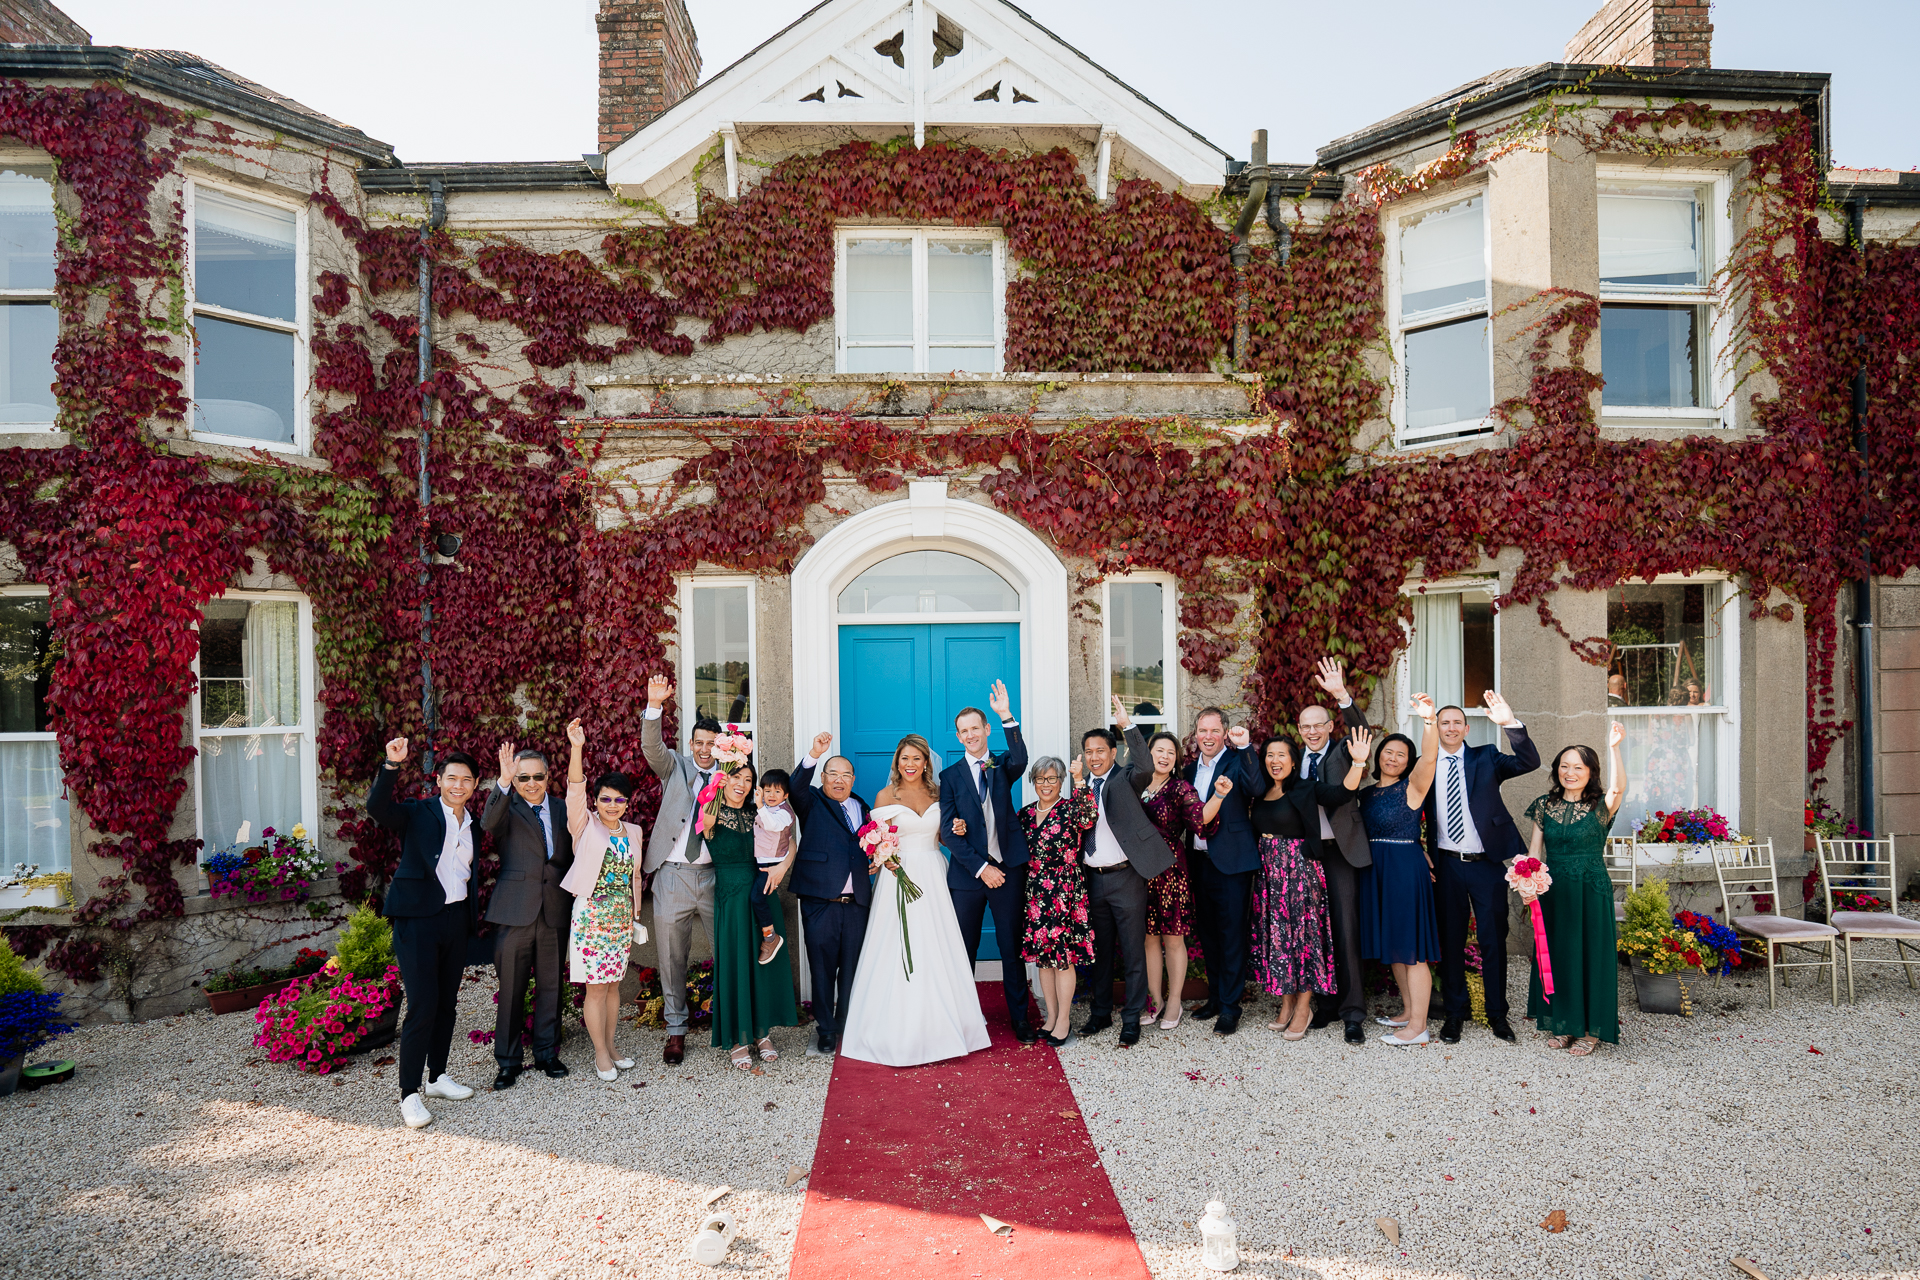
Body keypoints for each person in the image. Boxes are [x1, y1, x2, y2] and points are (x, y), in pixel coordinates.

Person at [840, 734, 991, 1066]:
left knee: (936, 943)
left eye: (916, 759)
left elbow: (942, 836)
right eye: (904, 759)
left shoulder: (938, 793)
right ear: (897, 762)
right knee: (897, 943)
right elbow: (875, 841)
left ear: (926, 763)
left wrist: (958, 828)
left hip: (934, 872)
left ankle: (947, 1024)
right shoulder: (886, 795)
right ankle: (896, 1028)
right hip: (899, 876)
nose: (909, 765)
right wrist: (883, 857)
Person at [366, 738, 481, 1130]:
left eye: (466, 779)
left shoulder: (473, 824)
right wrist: (391, 766)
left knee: (447, 1002)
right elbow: (377, 808)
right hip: (416, 919)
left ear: (475, 784)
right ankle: (409, 1094)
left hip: (454, 919)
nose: (458, 785)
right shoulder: (419, 812)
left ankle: (437, 1077)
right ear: (439, 780)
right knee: (422, 1005)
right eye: (452, 778)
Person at [1425, 690, 1541, 1045]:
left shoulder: (1486, 757)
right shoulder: (1424, 763)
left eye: (1456, 722)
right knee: (1451, 941)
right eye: (1444, 722)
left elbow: (1529, 762)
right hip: (1446, 866)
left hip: (1486, 865)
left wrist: (1511, 724)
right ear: (1436, 728)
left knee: (1493, 941)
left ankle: (1496, 1015)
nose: (1450, 727)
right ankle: (1455, 1013)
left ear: (1466, 729)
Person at [1246, 728, 1371, 1039]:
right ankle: (1286, 1004)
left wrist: (1357, 764)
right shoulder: (1260, 792)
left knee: (1303, 939)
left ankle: (1304, 1006)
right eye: (1270, 755)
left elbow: (1341, 794)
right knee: (1278, 939)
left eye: (1282, 755)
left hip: (1300, 873)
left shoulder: (1306, 788)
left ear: (1293, 760)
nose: (1275, 761)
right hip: (1269, 874)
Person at [939, 679, 1036, 1042]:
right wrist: (982, 868)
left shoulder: (1001, 765)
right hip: (968, 877)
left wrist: (1007, 714)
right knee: (965, 950)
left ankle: (1020, 1020)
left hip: (1008, 870)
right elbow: (949, 832)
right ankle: (964, 1022)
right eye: (963, 731)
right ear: (959, 736)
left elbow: (1023, 759)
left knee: (1011, 949)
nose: (969, 736)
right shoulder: (949, 777)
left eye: (975, 729)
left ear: (986, 730)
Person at [1078, 696, 1176, 1047]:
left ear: (1113, 752)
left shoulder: (1126, 779)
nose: (1094, 757)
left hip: (1125, 877)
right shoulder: (1081, 787)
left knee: (1132, 951)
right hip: (1093, 878)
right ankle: (1101, 1012)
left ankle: (1132, 1018)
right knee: (1101, 951)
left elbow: (1147, 766)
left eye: (1100, 751)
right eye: (1088, 751)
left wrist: (1128, 726)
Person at [1525, 723, 1627, 1057]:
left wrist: (1613, 747)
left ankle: (1591, 1030)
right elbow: (1534, 852)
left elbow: (1620, 788)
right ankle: (1564, 1024)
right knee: (1559, 955)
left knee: (1591, 956)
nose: (1570, 772)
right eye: (1564, 766)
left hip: (1590, 888)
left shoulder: (1601, 806)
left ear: (1590, 772)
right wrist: (1527, 883)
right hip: (1554, 891)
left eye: (1578, 767)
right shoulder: (1543, 805)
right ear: (1556, 770)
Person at [481, 741, 576, 1088]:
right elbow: (487, 823)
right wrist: (503, 783)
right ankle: (508, 1062)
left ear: (549, 776)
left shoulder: (563, 808)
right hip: (515, 910)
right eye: (523, 778)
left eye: (537, 776)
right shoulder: (506, 806)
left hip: (554, 908)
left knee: (551, 986)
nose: (531, 783)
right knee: (511, 989)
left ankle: (547, 1053)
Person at [641, 673, 722, 1066]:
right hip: (672, 874)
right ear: (690, 745)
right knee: (671, 956)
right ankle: (676, 1031)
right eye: (699, 743)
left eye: (711, 744)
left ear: (720, 747)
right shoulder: (675, 767)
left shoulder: (731, 777)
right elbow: (651, 747)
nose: (705, 750)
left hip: (714, 878)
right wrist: (655, 706)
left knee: (728, 949)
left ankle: (729, 1021)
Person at [558, 718, 645, 1080]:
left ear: (627, 803)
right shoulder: (585, 825)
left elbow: (635, 877)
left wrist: (636, 913)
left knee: (614, 987)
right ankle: (599, 1055)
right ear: (597, 802)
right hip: (593, 915)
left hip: (621, 917)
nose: (612, 805)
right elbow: (574, 791)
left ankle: (612, 1046)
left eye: (619, 799)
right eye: (606, 799)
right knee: (596, 989)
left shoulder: (636, 831)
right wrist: (576, 748)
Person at [702, 760, 800, 1069]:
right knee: (737, 963)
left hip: (763, 891)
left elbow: (790, 838)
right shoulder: (711, 810)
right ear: (723, 780)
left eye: (748, 778)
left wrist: (783, 867)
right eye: (736, 777)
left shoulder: (760, 811)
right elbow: (705, 823)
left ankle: (761, 1033)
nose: (742, 783)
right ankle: (738, 1037)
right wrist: (719, 780)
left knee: (762, 966)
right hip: (731, 896)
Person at [1300, 658, 1378, 1046]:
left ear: (1330, 727)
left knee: (1346, 931)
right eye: (1306, 727)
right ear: (1299, 731)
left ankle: (1352, 1013)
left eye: (1319, 725)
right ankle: (1326, 1004)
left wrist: (1341, 695)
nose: (1313, 732)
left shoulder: (1345, 752)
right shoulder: (1292, 759)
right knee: (1315, 931)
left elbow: (1362, 730)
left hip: (1342, 853)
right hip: (1304, 856)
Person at [1357, 697, 1443, 1046]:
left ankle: (1418, 1028)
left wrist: (1429, 722)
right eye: (1388, 752)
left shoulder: (1413, 787)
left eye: (1400, 755)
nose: (1392, 758)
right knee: (1394, 947)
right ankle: (1408, 1011)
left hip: (1403, 870)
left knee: (1412, 948)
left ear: (1408, 763)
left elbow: (1431, 757)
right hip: (1376, 870)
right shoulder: (1366, 794)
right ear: (1378, 756)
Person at [1178, 706, 1260, 1035]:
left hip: (1232, 863)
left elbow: (1255, 789)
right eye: (1202, 730)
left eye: (1214, 730)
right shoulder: (1186, 771)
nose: (1208, 736)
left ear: (1224, 733)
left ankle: (1230, 1006)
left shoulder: (1239, 761)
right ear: (1195, 734)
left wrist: (1246, 747)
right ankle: (1214, 997)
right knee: (1209, 934)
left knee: (1231, 936)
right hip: (1198, 862)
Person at [789, 736, 872, 1055]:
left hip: (856, 905)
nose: (839, 780)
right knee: (822, 969)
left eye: (845, 775)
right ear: (822, 778)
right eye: (832, 774)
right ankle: (825, 1028)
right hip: (820, 903)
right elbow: (795, 786)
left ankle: (845, 1023)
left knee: (852, 968)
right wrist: (814, 754)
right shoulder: (811, 801)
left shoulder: (863, 806)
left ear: (853, 779)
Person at [1139, 731, 1220, 1030]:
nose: (1164, 756)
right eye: (1159, 750)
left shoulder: (1180, 788)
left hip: (1171, 872)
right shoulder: (1136, 787)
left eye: (1170, 753)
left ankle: (1174, 1001)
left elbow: (1200, 820)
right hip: (1141, 872)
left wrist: (1219, 796)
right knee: (1148, 939)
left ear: (1176, 760)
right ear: (1148, 754)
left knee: (1173, 938)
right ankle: (1155, 1000)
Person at [1015, 755, 1096, 1046]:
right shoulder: (1024, 815)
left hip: (1064, 892)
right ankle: (1050, 1016)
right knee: (1044, 961)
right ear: (1033, 782)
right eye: (1040, 779)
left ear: (1060, 781)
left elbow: (1089, 817)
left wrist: (1080, 780)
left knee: (1063, 959)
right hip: (1036, 892)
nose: (1045, 784)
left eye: (1052, 778)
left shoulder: (1071, 809)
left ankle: (1064, 1021)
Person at [748, 769, 798, 966]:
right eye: (767, 791)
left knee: (757, 897)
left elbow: (770, 826)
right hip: (761, 862)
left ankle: (770, 937)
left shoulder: (785, 814)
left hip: (772, 865)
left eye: (777, 792)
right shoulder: (767, 809)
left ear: (785, 795)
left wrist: (760, 805)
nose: (771, 795)